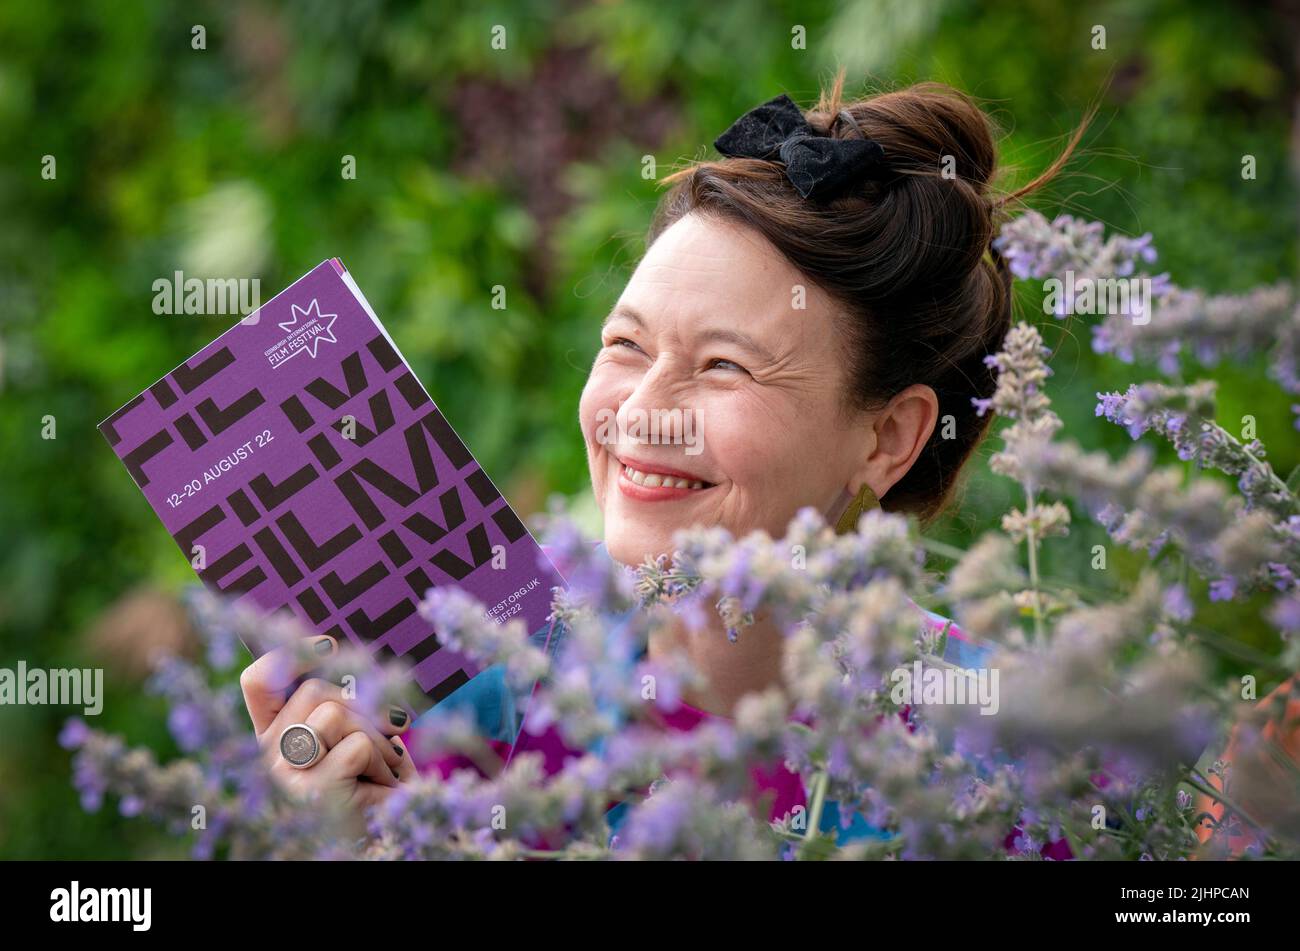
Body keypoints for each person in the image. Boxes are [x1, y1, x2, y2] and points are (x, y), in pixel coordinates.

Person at [239, 77, 1082, 840]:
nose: (640, 413)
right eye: (626, 344)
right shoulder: (474, 718)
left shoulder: (1014, 764)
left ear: (889, 436)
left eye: (725, 365)